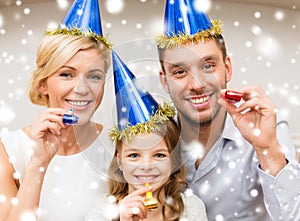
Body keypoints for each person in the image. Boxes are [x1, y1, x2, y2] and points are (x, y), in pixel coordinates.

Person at [156, 1, 300, 220]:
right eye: (179, 71)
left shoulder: (267, 131)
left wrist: (267, 150)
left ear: (228, 68)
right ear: (164, 82)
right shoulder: (155, 141)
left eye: (207, 66)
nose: (196, 85)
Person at [0, 0, 113, 220]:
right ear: (43, 84)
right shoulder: (8, 151)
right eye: (66, 74)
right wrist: (37, 163)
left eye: (94, 76)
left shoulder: (120, 147)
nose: (82, 89)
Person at [84, 51, 208, 221]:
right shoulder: (102, 212)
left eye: (159, 155)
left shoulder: (190, 209)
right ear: (119, 160)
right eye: (134, 155)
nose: (146, 165)